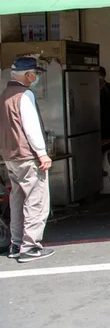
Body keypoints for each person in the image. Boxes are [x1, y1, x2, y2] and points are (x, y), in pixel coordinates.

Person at [0, 57, 54, 263]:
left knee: (17, 200)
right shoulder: (24, 95)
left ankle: (16, 244)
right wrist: (42, 153)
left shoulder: (5, 95)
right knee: (36, 201)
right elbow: (31, 127)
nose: (37, 77)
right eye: (36, 73)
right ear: (27, 75)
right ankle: (30, 247)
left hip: (10, 156)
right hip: (27, 156)